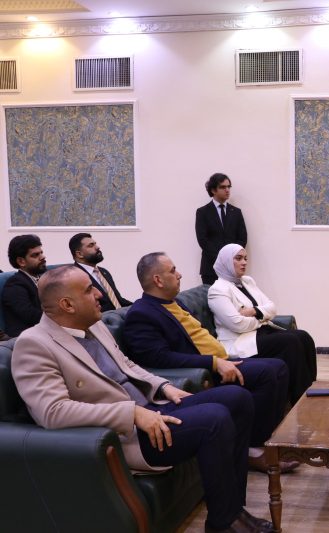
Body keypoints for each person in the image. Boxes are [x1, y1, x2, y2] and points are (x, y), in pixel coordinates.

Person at [10, 266, 275, 532]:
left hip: (151, 408)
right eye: (89, 290)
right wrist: (132, 413)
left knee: (237, 398)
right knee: (214, 419)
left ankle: (233, 509)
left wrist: (163, 386)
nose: (99, 294)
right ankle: (223, 523)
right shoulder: (34, 344)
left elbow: (126, 364)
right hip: (126, 432)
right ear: (67, 304)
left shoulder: (94, 325)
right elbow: (53, 412)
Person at [123, 252, 297, 474]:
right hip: (202, 370)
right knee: (267, 373)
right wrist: (213, 363)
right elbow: (158, 358)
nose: (179, 274)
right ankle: (252, 450)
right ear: (158, 280)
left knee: (278, 366)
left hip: (221, 359)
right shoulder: (142, 313)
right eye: (173, 271)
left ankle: (266, 440)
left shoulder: (174, 303)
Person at [208, 244, 317, 404]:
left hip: (258, 332)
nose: (244, 262)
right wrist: (261, 318)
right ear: (226, 261)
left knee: (303, 337)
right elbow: (237, 324)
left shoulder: (247, 281)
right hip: (240, 340)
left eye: (245, 258)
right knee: (290, 342)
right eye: (238, 258)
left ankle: (312, 389)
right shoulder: (217, 290)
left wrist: (253, 311)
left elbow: (272, 307)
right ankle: (301, 401)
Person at [196, 173, 248, 285]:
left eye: (229, 187)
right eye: (223, 187)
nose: (227, 190)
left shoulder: (236, 212)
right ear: (213, 190)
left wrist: (232, 259)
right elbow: (203, 240)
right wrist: (221, 259)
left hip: (233, 269)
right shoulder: (202, 212)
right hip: (210, 268)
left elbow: (242, 238)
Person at [69, 232, 132, 312]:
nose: (97, 247)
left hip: (119, 316)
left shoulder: (104, 272)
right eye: (91, 245)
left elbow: (117, 300)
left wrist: (139, 306)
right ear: (79, 254)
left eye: (95, 244)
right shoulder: (74, 277)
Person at [1, 234, 47, 337]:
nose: (43, 257)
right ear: (21, 261)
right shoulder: (14, 285)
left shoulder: (44, 278)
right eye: (35, 255)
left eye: (41, 253)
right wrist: (62, 318)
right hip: (26, 337)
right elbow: (32, 316)